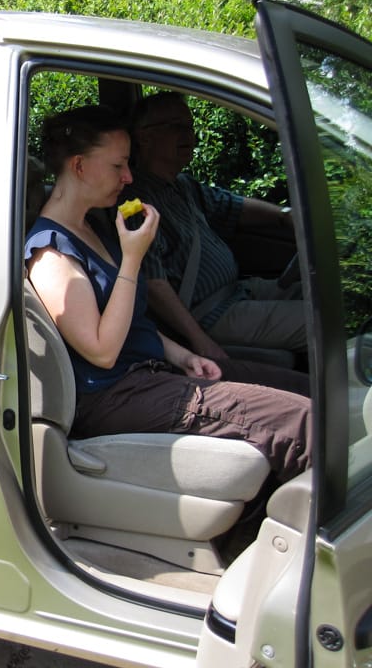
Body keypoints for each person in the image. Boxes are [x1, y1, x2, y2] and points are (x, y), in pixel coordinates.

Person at [24, 105, 311, 483]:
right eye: (118, 166)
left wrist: (186, 356)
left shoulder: (96, 226)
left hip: (152, 373)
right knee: (301, 422)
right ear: (79, 166)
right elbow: (102, 350)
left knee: (304, 388)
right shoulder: (50, 254)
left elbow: (131, 319)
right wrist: (132, 259)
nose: (129, 177)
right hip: (116, 397)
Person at [126, 91, 305, 360]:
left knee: (322, 289)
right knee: (322, 319)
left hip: (238, 292)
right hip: (210, 314)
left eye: (190, 126)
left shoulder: (182, 185)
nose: (189, 135)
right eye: (176, 127)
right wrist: (199, 340)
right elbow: (153, 283)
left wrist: (285, 215)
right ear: (144, 136)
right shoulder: (136, 202)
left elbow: (232, 206)